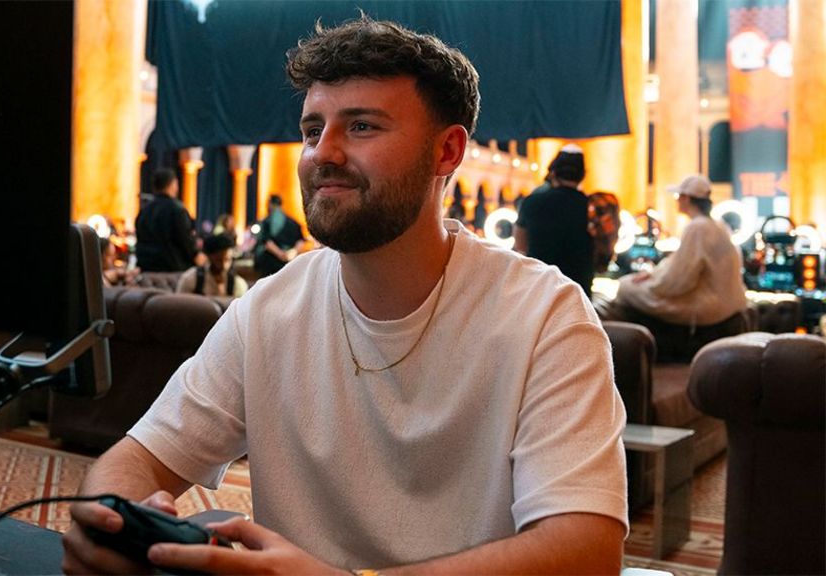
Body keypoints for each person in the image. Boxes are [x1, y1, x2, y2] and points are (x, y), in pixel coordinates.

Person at [62, 15, 627, 575]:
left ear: (447, 152)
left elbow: (585, 549)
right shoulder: (267, 311)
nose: (322, 153)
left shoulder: (546, 315)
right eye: (312, 130)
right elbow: (138, 458)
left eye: (361, 127)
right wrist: (108, 521)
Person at [614, 174, 748, 327]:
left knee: (626, 286)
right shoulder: (719, 225)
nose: (676, 200)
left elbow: (679, 280)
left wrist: (651, 282)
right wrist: (652, 274)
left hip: (711, 307)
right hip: (729, 303)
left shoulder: (697, 227)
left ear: (687, 198)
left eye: (678, 196)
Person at [513, 144, 595, 297]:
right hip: (579, 294)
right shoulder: (592, 207)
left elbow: (520, 245)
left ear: (554, 172)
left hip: (541, 289)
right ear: (583, 175)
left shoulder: (531, 202)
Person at [134, 168, 198, 272]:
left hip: (146, 269)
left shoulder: (144, 211)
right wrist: (196, 256)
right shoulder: (177, 210)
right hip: (172, 271)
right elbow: (186, 241)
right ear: (172, 184)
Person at [175, 233, 248, 298]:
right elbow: (180, 306)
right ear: (209, 257)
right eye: (218, 260)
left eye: (227, 259)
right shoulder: (191, 279)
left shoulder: (238, 284)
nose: (223, 265)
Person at [252, 194, 305, 277]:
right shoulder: (293, 222)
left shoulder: (266, 221)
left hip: (271, 263)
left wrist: (280, 254)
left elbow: (267, 242)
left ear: (271, 204)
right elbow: (300, 241)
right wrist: (292, 253)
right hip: (289, 262)